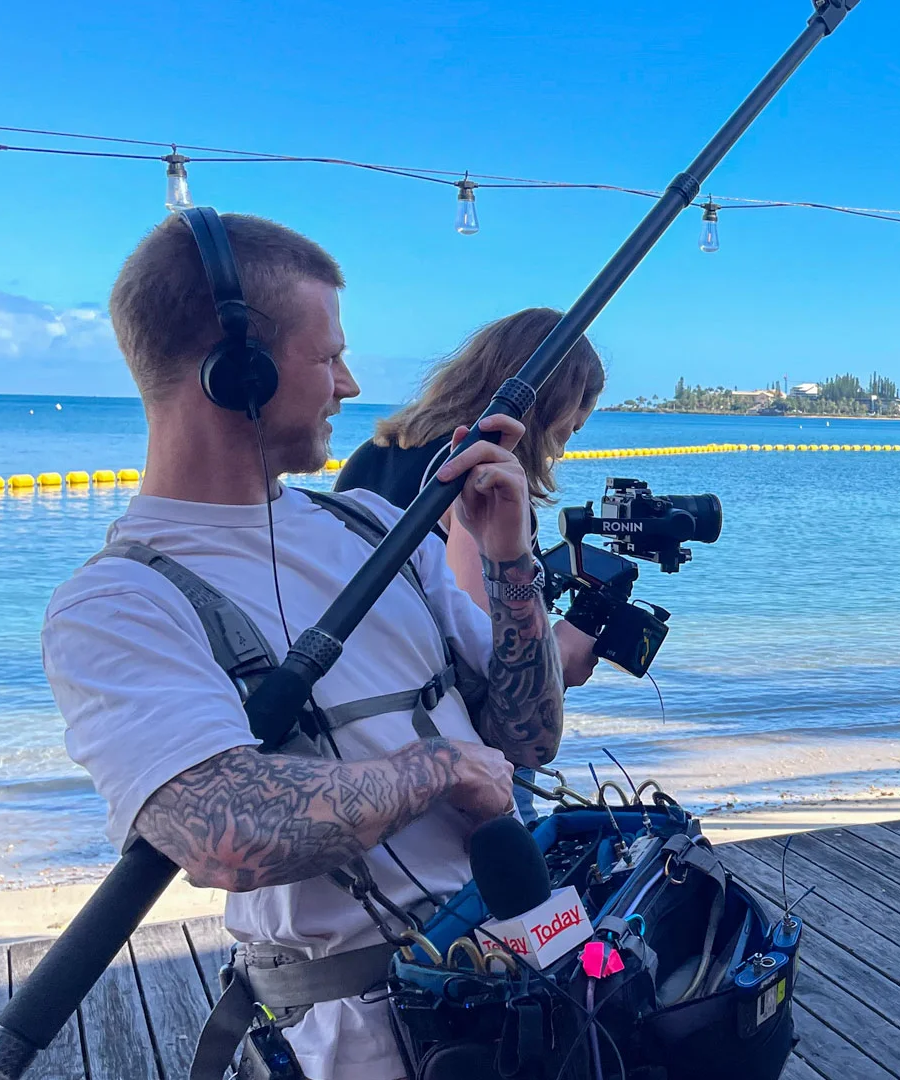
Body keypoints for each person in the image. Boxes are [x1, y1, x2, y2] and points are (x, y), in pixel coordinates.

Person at [41, 211, 564, 1080]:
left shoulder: (376, 526)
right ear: (234, 369)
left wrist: (509, 562)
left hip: (523, 966)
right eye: (328, 358)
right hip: (358, 1039)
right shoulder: (116, 604)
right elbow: (223, 832)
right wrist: (440, 767)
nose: (350, 385)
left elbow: (531, 737)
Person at [337, 309, 605, 818]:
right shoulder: (483, 474)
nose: (561, 449)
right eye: (567, 431)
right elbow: (484, 645)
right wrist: (559, 652)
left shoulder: (375, 452)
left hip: (368, 721)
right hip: (456, 743)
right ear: (549, 407)